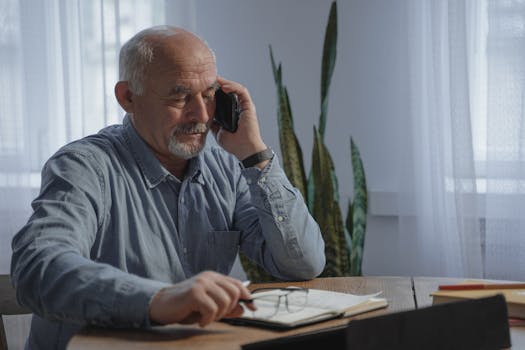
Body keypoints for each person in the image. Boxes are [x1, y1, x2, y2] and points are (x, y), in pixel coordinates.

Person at [10, 25, 325, 349]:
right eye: (180, 96)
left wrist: (254, 153)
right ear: (128, 97)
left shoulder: (227, 168)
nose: (201, 115)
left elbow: (302, 263)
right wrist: (156, 300)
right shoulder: (84, 166)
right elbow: (37, 268)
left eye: (209, 95)